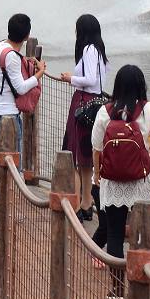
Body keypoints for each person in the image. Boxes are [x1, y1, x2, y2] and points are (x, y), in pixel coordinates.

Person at [91, 64, 150, 299]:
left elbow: (96, 148)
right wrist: (147, 141)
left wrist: (98, 175)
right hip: (142, 181)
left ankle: (117, 289)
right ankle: (143, 282)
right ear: (141, 85)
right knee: (142, 233)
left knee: (115, 234)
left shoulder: (105, 112)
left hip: (113, 181)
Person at [63, 13, 109, 221]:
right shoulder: (99, 50)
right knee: (85, 155)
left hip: (84, 102)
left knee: (76, 153)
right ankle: (86, 203)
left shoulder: (89, 49)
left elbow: (90, 80)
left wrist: (70, 78)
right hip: (94, 103)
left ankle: (79, 204)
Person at [0, 14, 46, 166]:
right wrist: (40, 73)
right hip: (8, 115)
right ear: (27, 35)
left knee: (5, 162)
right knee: (13, 166)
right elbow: (20, 88)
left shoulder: (1, 47)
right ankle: (13, 190)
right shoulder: (11, 56)